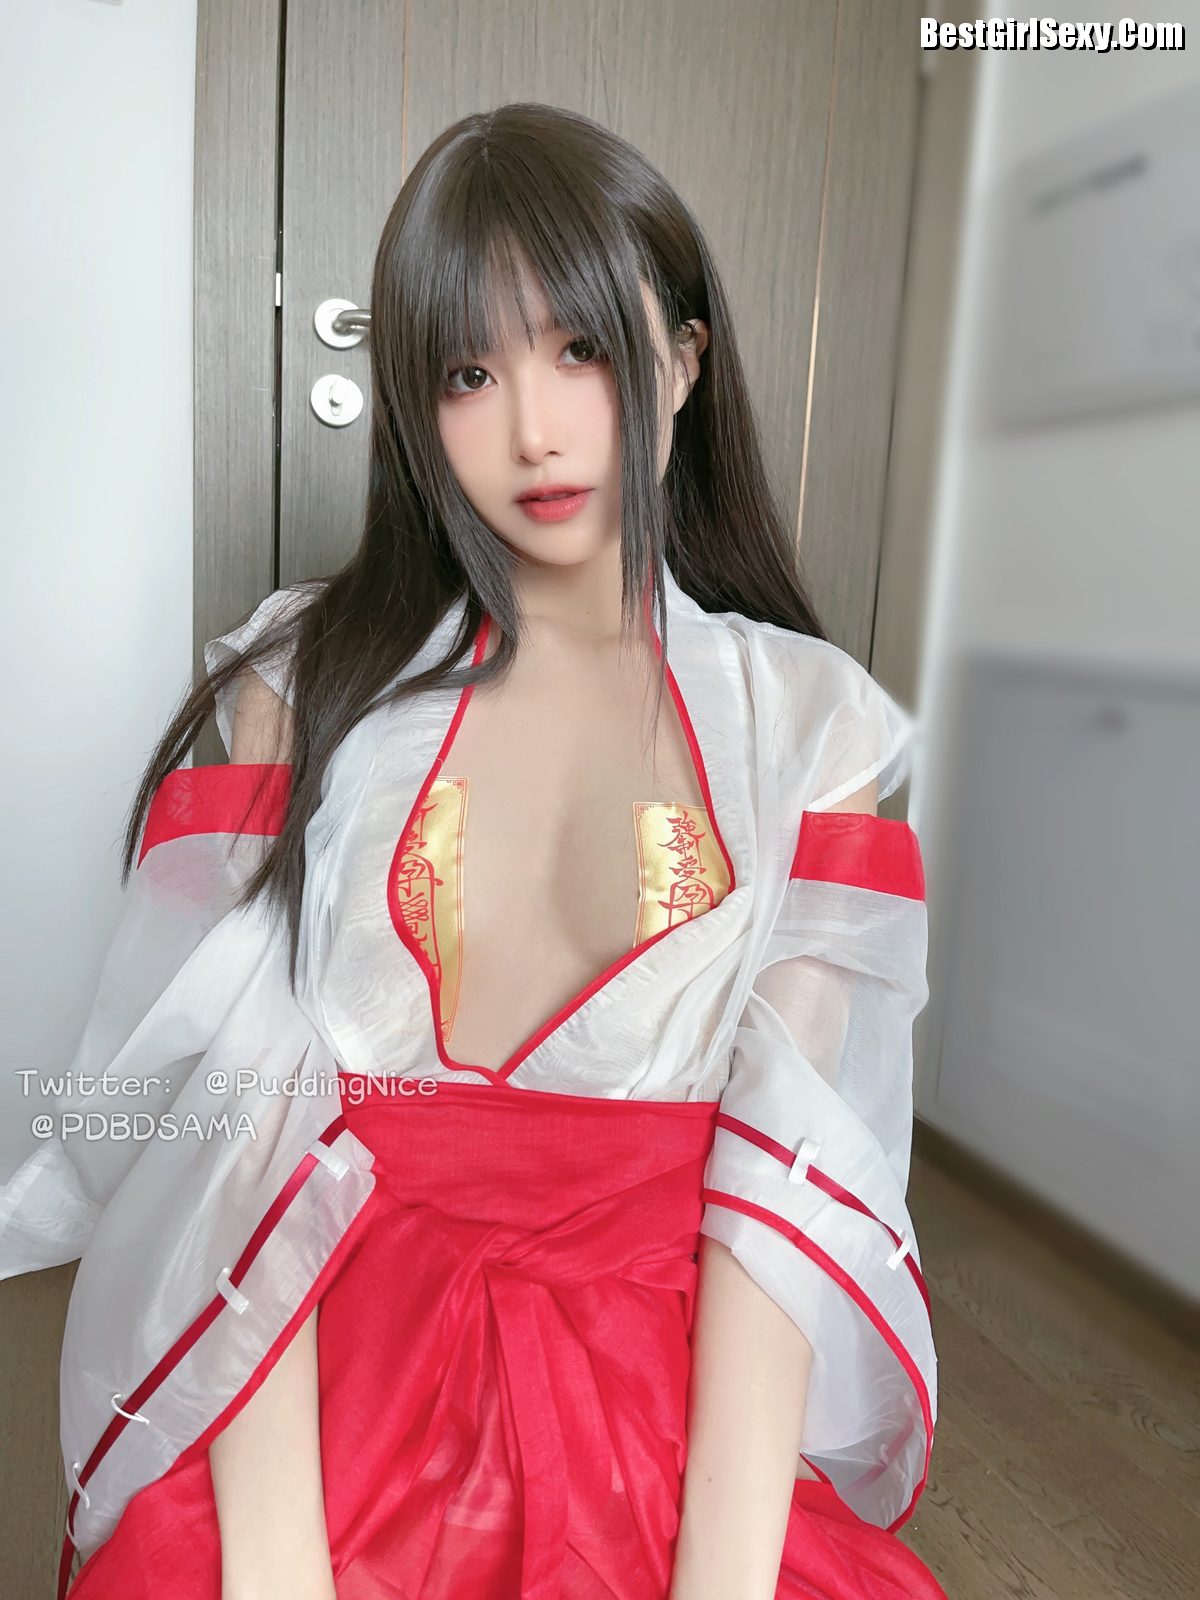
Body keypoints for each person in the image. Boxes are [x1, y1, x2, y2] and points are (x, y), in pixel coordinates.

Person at [0, 103, 944, 1600]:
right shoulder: (298, 684)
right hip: (327, 1368)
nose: (534, 430)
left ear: (682, 361)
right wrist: (279, 1565)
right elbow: (235, 1143)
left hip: (665, 1412)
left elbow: (783, 1188)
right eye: (468, 372)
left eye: (582, 350)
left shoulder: (812, 726)